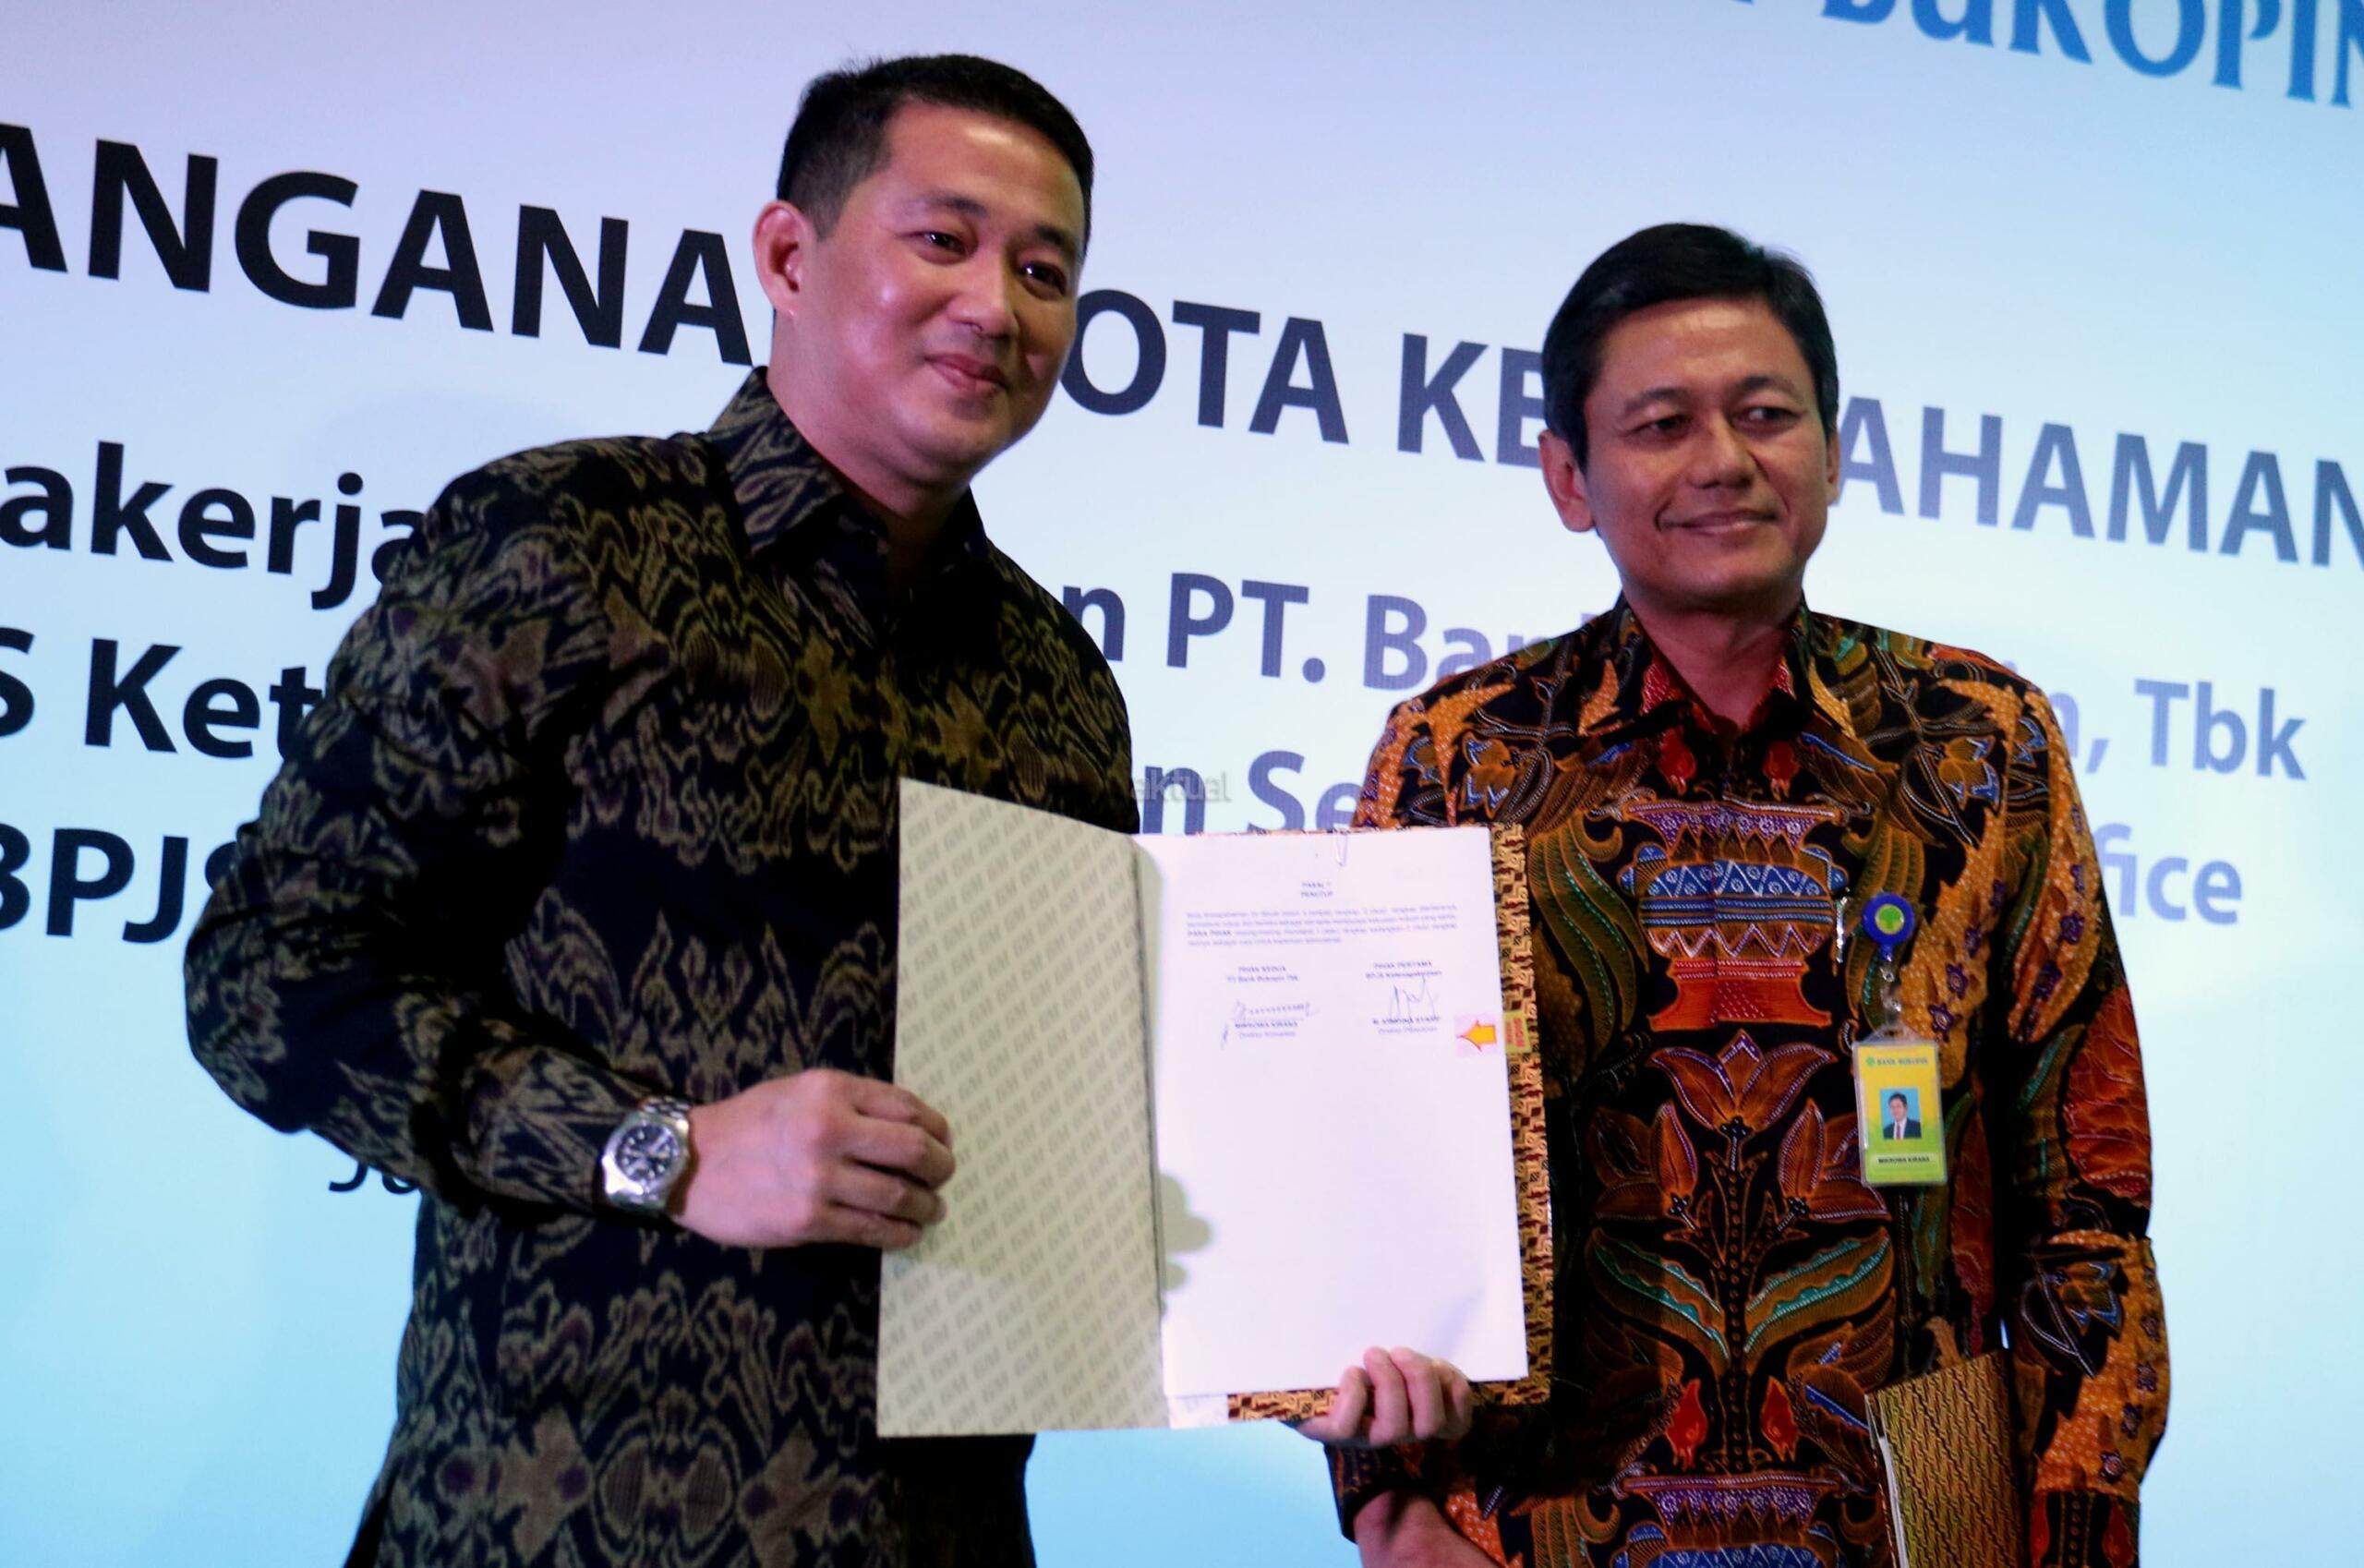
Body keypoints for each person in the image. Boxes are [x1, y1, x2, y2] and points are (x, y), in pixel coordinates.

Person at [185, 54, 1132, 1568]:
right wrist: (662, 1150)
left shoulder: (1061, 684)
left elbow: (1071, 1133)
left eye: (1044, 271)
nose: (996, 307)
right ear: (789, 257)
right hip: (553, 1520)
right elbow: (267, 972)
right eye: (943, 240)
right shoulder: (559, 546)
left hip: (934, 1533)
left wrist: (1302, 1327)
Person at [1301, 224, 2166, 1568]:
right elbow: (1360, 1156)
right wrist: (1392, 1505)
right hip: (1548, 1519)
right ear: (1569, 478)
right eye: (1662, 424)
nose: (1723, 459)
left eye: (1766, 414)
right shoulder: (1461, 754)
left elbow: (2084, 1188)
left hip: (1925, 1518)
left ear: (1832, 450)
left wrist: (2076, 1529)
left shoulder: (1977, 739)